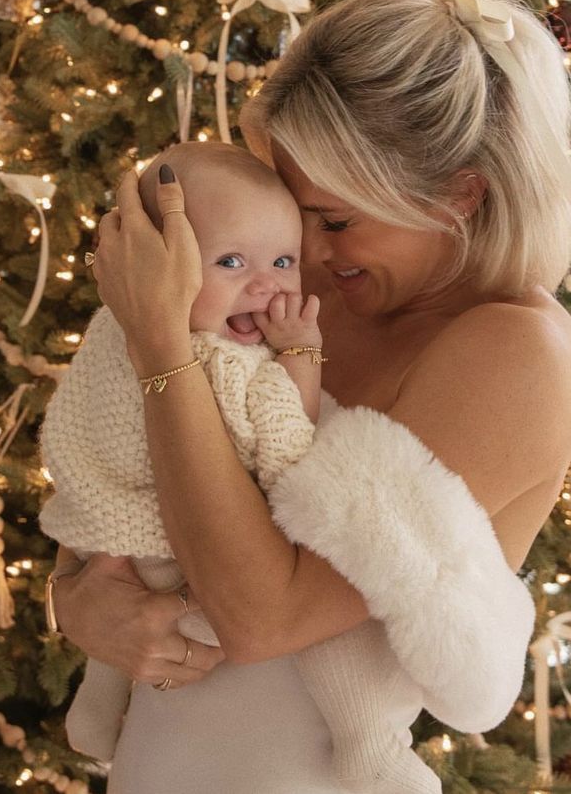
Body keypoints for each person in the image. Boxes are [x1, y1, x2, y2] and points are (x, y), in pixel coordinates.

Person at [47, 0, 571, 794]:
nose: (307, 256)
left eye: (336, 219)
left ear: (461, 193)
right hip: (157, 758)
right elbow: (124, 471)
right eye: (297, 213)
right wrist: (75, 597)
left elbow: (263, 618)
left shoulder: (518, 353)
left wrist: (161, 342)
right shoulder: (315, 289)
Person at [40, 141, 435, 791]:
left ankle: (96, 703)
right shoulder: (222, 364)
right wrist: (301, 359)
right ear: (159, 266)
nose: (268, 284)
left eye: (283, 260)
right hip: (192, 563)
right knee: (341, 632)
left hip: (119, 539)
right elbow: (285, 449)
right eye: (231, 261)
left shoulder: (110, 331)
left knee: (113, 588)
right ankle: (370, 738)